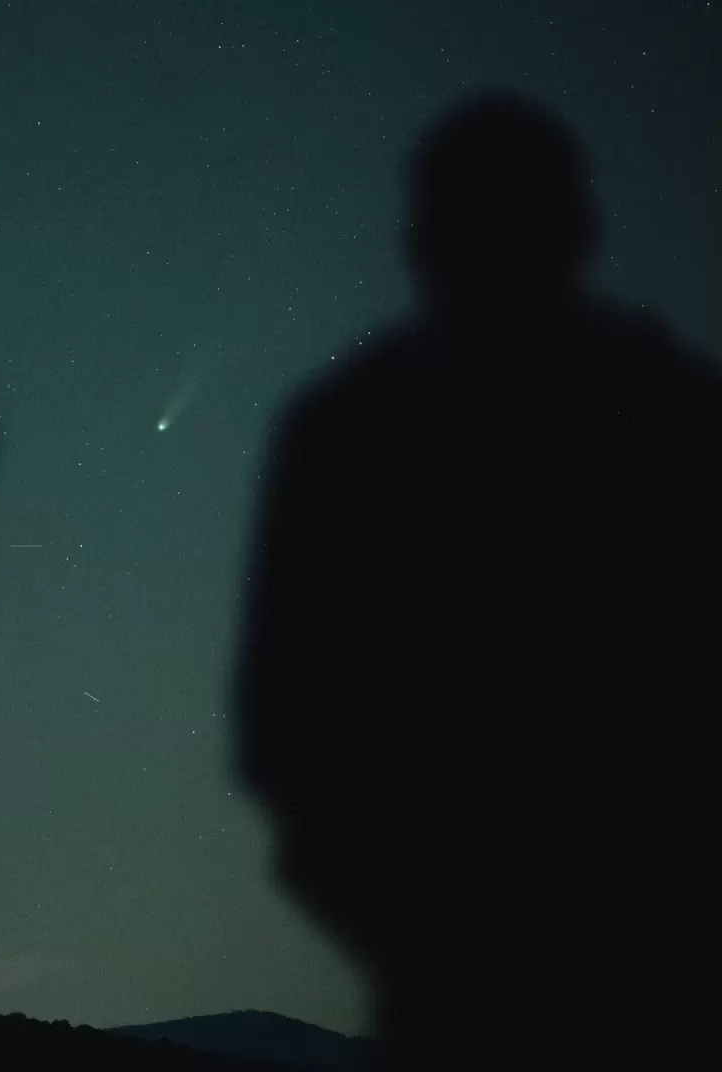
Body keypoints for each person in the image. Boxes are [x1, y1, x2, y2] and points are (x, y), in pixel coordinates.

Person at [233, 90, 719, 1071]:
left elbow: (278, 720)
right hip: (576, 954)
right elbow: (280, 719)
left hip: (514, 955)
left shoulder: (346, 434)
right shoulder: (673, 413)